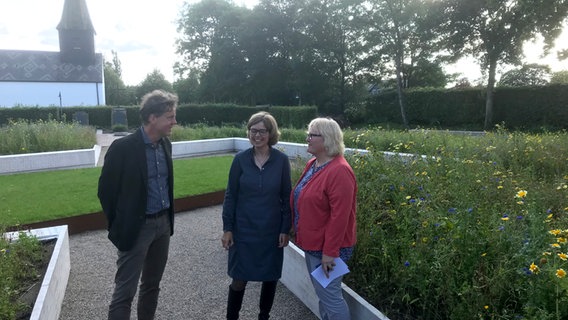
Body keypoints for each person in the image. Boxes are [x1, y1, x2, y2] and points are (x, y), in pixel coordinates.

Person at [98, 90, 178, 320]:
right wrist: (120, 223)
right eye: (170, 117)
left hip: (163, 225)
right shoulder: (123, 148)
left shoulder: (166, 145)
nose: (174, 121)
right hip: (136, 228)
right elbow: (106, 191)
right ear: (153, 117)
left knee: (152, 285)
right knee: (125, 291)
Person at [221, 111, 292, 320]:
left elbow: (287, 196)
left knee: (270, 278)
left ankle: (264, 316)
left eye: (262, 131)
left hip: (271, 231)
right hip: (243, 231)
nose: (257, 135)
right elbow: (230, 196)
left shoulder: (281, 160)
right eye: (253, 130)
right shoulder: (240, 160)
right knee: (239, 279)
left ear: (271, 133)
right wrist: (227, 228)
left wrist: (284, 229)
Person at [290, 117, 357, 320]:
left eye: (312, 135)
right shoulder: (314, 163)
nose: (307, 139)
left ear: (327, 139)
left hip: (328, 249)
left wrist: (329, 253)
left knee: (330, 297)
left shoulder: (340, 171)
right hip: (314, 244)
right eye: (308, 134)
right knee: (323, 294)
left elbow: (340, 218)